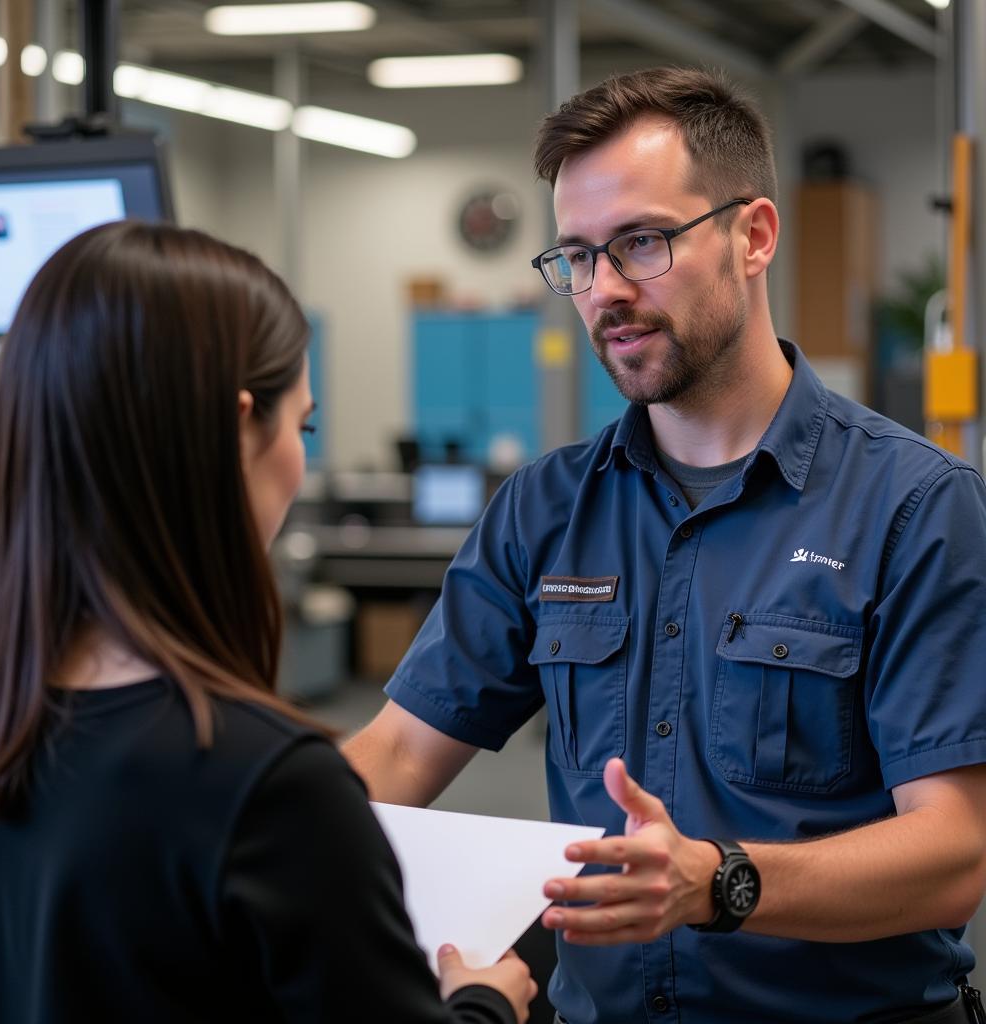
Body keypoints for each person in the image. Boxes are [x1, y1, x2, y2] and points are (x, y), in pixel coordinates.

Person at [342, 66, 986, 1024]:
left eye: (641, 243)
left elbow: (954, 854)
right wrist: (225, 832)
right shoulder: (543, 513)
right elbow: (397, 750)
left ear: (753, 235)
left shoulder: (915, 507)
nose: (605, 291)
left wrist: (718, 882)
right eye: (578, 257)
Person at [0, 221, 535, 1024]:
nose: (300, 459)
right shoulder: (265, 786)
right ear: (239, 430)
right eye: (301, 426)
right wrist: (482, 1004)